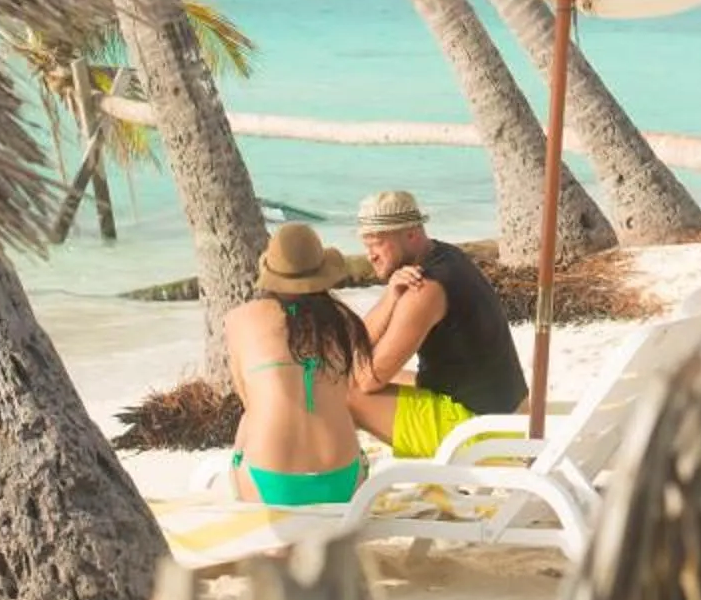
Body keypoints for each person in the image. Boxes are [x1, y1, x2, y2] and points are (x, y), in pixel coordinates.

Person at [343, 189, 526, 461]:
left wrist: (346, 369)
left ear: (412, 234)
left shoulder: (425, 289)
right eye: (366, 244)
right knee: (377, 375)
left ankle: (339, 479)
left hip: (479, 434)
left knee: (343, 393)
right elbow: (360, 341)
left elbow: (367, 380)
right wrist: (391, 295)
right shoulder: (447, 255)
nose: (371, 255)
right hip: (507, 415)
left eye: (378, 242)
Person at [224, 223, 376, 507]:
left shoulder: (239, 320)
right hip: (345, 481)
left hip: (271, 482)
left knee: (250, 420)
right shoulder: (344, 321)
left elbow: (248, 400)